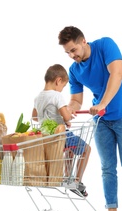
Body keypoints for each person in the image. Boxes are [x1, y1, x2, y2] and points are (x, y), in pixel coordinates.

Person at [58, 26, 122, 211]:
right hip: (101, 122)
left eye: (73, 50)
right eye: (67, 53)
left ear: (83, 41)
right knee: (107, 168)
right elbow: (75, 99)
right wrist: (69, 110)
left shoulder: (106, 45)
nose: (72, 56)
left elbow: (117, 74)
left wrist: (102, 104)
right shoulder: (74, 70)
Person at [32, 64, 91, 196]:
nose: (62, 89)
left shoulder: (38, 98)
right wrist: (68, 115)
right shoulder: (57, 96)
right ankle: (77, 181)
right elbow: (66, 115)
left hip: (45, 136)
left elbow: (35, 117)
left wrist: (52, 117)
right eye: (63, 86)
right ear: (58, 80)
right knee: (86, 149)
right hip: (60, 134)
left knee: (69, 149)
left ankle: (67, 176)